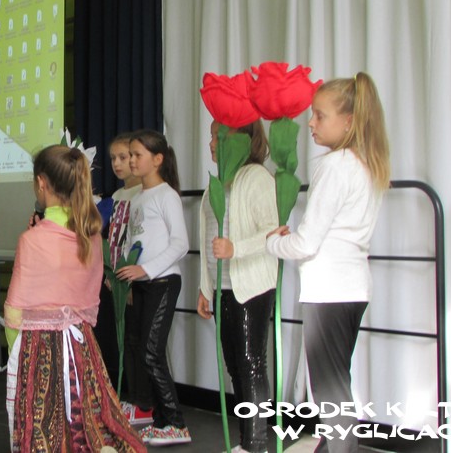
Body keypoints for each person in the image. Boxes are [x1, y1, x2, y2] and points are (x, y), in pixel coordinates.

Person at [266, 73, 390, 453]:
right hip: (353, 288)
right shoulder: (365, 163)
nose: (311, 123)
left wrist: (272, 241)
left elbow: (306, 243)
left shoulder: (335, 165)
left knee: (331, 393)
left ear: (348, 121)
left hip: (329, 291)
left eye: (320, 115)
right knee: (336, 384)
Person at [5, 145, 145, 452]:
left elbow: (14, 310)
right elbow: (90, 295)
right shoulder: (90, 235)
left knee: (43, 424)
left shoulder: (32, 240)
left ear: (41, 183)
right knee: (88, 418)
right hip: (82, 344)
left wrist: (16, 353)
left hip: (38, 346)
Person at [198, 120, 278, 453]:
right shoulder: (216, 183)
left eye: (219, 137)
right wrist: (205, 287)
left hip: (251, 285)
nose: (212, 143)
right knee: (234, 364)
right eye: (211, 137)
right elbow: (207, 239)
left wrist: (236, 249)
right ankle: (248, 440)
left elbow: (273, 231)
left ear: (243, 139)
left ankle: (257, 444)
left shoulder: (257, 177)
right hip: (223, 287)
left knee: (250, 362)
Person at [116, 129, 191, 446]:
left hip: (163, 283)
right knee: (143, 351)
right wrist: (131, 277)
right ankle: (161, 421)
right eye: (130, 154)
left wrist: (145, 270)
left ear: (158, 159)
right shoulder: (138, 198)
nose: (132, 161)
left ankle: (176, 423)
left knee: (151, 353)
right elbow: (134, 242)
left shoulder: (166, 195)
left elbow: (181, 244)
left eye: (137, 155)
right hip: (143, 286)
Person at [107, 132, 154, 426]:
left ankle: (144, 403)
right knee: (125, 340)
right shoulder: (116, 197)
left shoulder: (143, 194)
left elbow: (139, 240)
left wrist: (133, 277)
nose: (118, 163)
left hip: (136, 277)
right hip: (118, 276)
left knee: (139, 341)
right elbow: (114, 238)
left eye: (124, 157)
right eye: (114, 158)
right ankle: (132, 397)